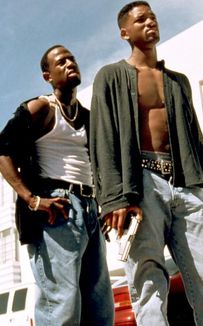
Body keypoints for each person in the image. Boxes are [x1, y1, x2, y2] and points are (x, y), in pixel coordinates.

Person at [90, 2, 203, 325]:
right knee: (148, 286)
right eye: (140, 19)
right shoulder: (110, 76)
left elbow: (196, 138)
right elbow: (102, 138)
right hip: (140, 186)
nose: (150, 21)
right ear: (125, 32)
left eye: (152, 16)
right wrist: (114, 199)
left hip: (185, 181)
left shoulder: (178, 82)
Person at [0, 45, 114, 326]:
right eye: (60, 62)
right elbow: (3, 150)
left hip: (90, 209)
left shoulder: (87, 116)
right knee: (61, 307)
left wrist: (105, 205)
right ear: (47, 75)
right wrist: (32, 199)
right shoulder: (40, 107)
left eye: (72, 59)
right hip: (58, 208)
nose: (69, 63)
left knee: (99, 309)